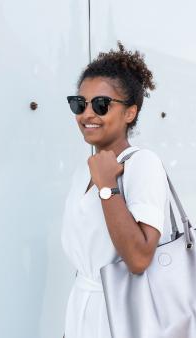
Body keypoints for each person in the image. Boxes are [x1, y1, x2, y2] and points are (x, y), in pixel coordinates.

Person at [61, 41, 172, 338]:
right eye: (79, 104)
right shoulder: (83, 171)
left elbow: (138, 258)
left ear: (130, 113)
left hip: (123, 316)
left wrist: (108, 186)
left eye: (101, 105)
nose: (87, 114)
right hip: (84, 311)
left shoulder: (143, 164)